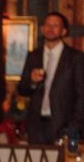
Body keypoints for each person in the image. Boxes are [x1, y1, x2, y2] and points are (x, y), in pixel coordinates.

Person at [17, 11, 84, 143]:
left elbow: (82, 94)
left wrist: (74, 125)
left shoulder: (75, 58)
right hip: (36, 125)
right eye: (47, 25)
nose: (50, 29)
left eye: (55, 25)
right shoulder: (33, 56)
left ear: (64, 31)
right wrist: (32, 81)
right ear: (42, 29)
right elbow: (22, 89)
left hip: (63, 125)